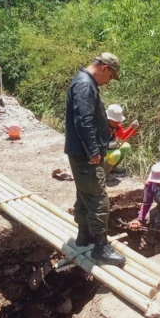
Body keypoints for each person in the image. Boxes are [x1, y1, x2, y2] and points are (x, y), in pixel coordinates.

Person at [64, 52, 126, 267]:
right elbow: (84, 120)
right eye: (110, 77)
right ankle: (101, 248)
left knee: (84, 195)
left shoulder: (83, 81)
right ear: (104, 68)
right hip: (85, 155)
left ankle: (84, 237)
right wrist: (93, 151)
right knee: (99, 199)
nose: (108, 82)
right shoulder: (85, 85)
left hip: (79, 153)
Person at [104, 104, 139, 178]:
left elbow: (122, 136)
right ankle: (104, 174)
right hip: (101, 152)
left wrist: (131, 128)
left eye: (118, 121)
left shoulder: (117, 126)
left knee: (126, 146)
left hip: (109, 149)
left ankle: (112, 168)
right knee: (116, 153)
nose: (117, 123)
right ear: (108, 119)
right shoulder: (101, 126)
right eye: (114, 121)